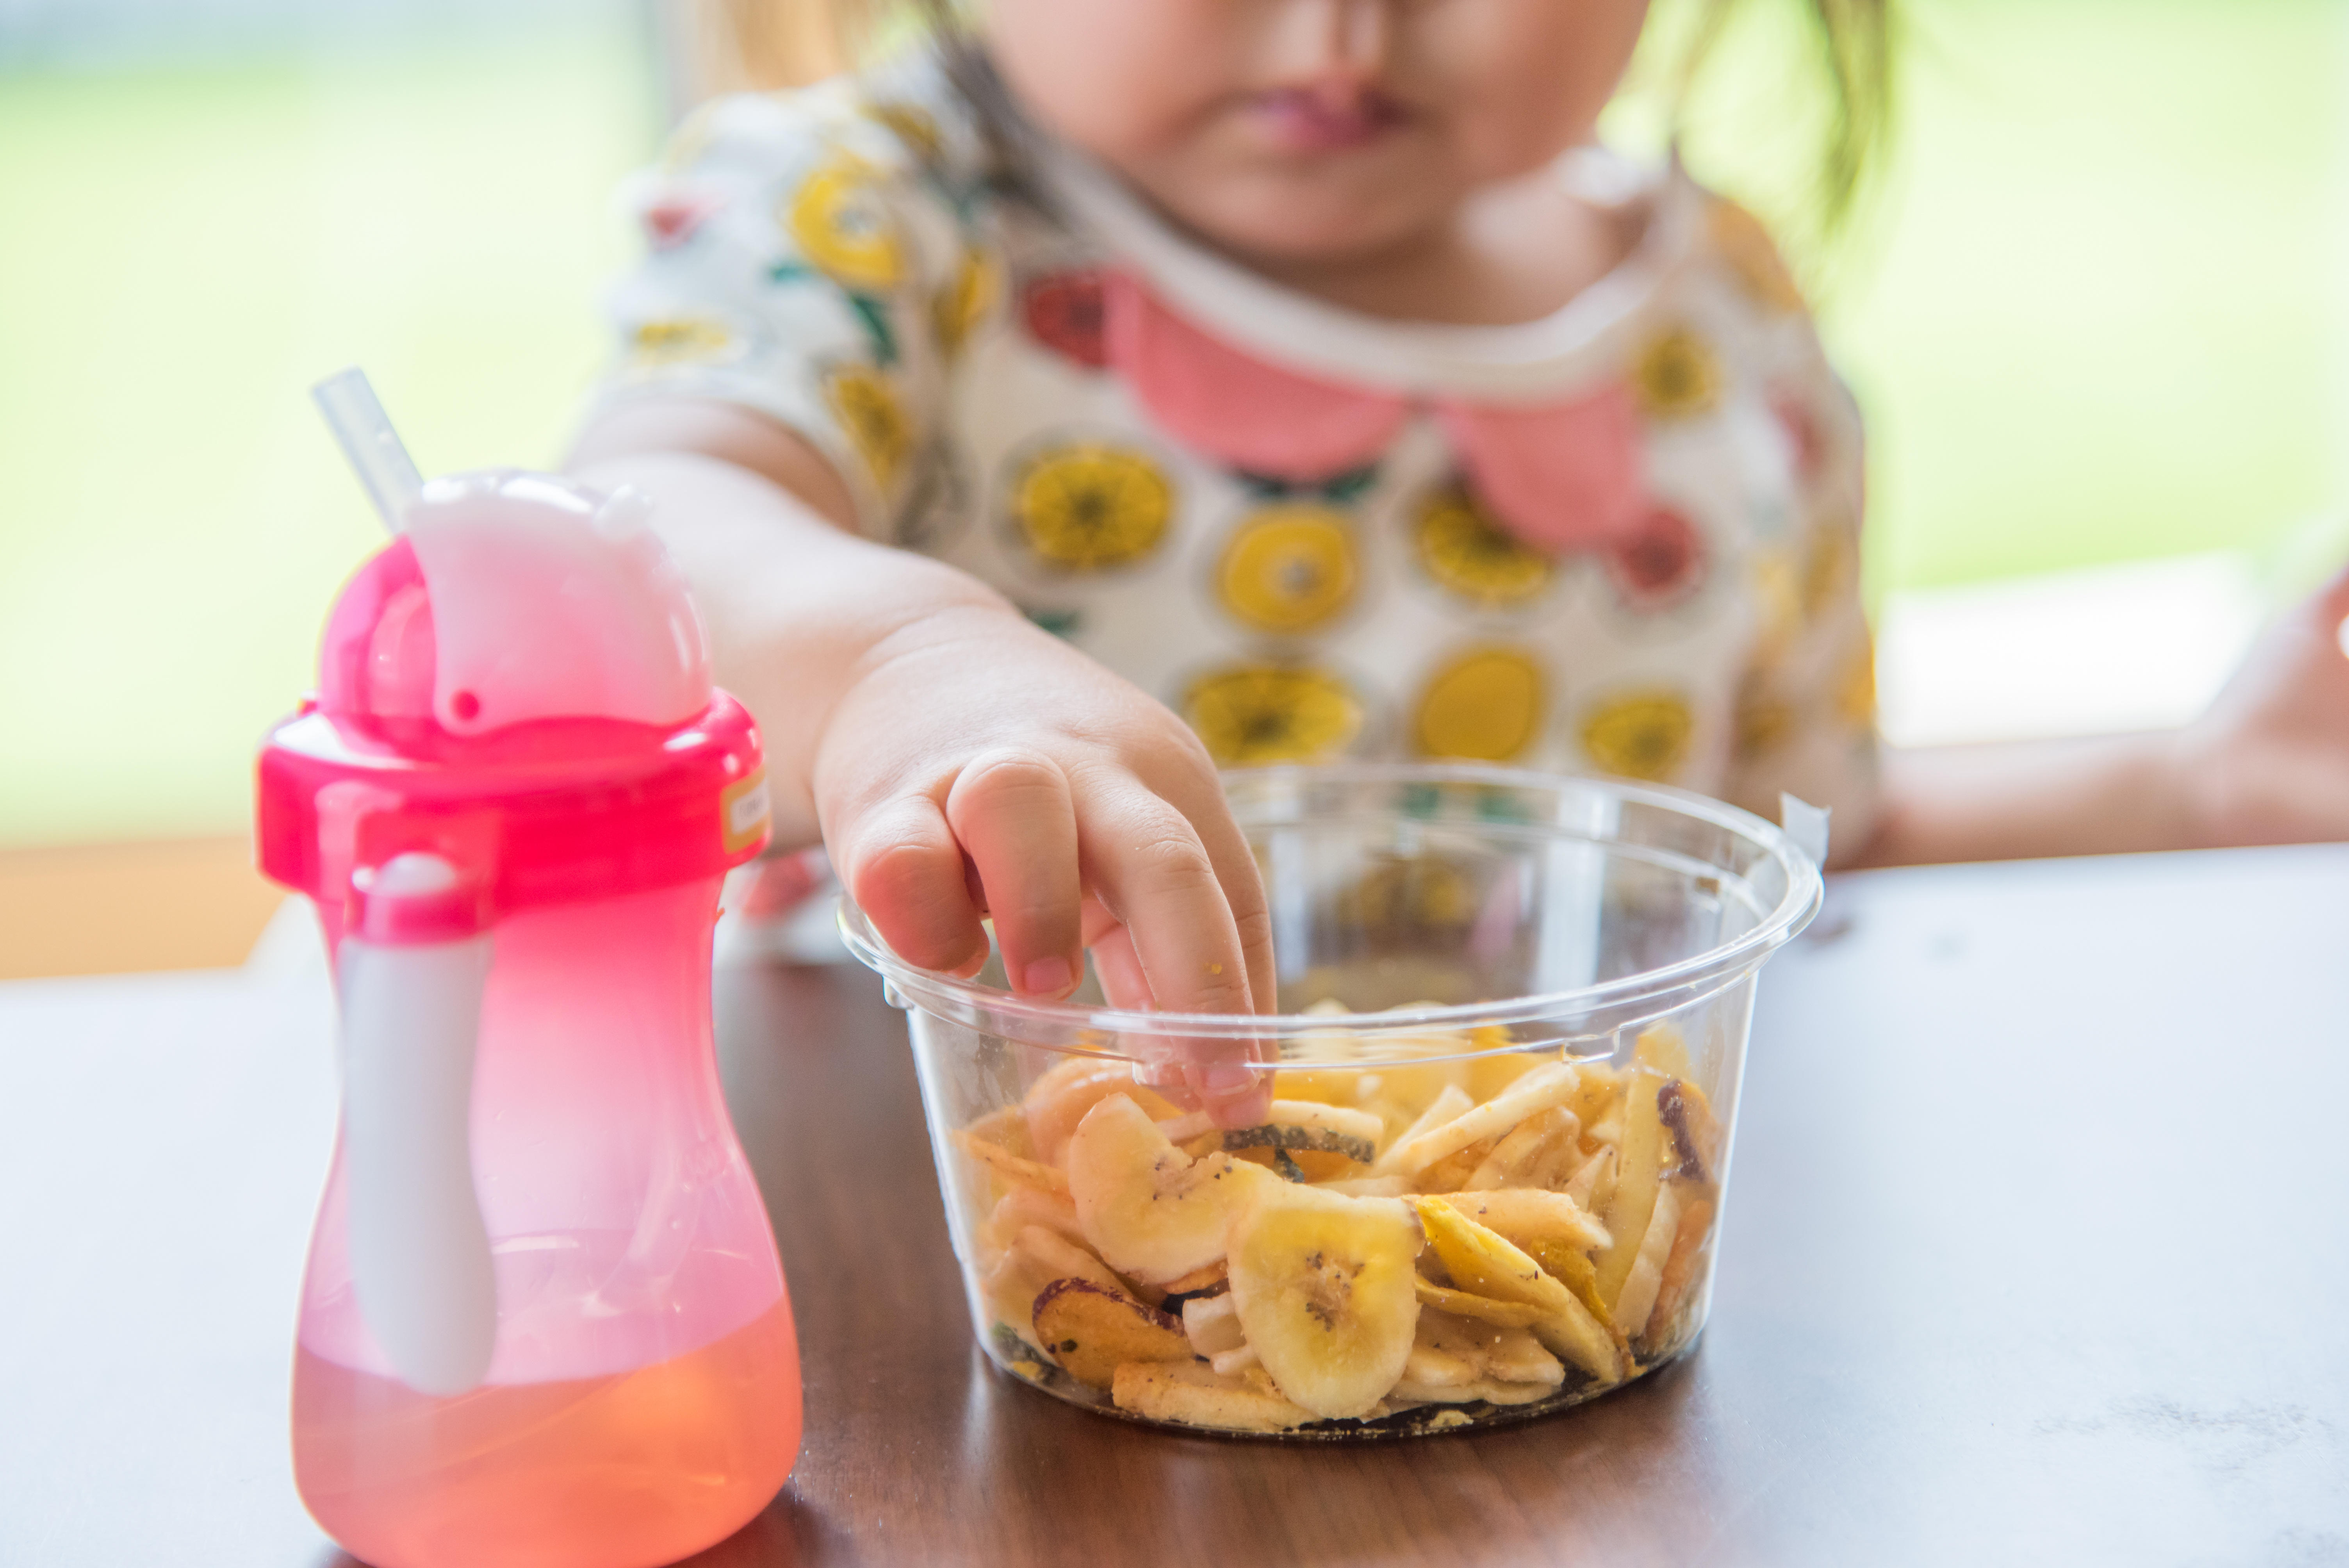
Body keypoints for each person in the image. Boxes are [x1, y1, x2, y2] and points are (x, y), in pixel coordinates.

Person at [568, 0, 2349, 1085]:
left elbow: (1797, 852)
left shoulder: (1712, 326)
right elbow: (643, 545)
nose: (1347, 20)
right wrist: (899, 675)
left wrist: (2190, 795)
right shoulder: (865, 221)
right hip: (957, 1271)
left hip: (1551, 1284)